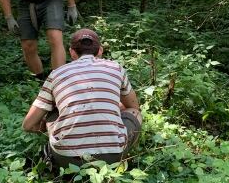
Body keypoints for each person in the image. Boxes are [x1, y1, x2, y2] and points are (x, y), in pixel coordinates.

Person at [22, 28, 142, 171]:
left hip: (66, 160)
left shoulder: (57, 74)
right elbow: (133, 106)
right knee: (136, 114)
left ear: (72, 52)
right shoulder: (116, 68)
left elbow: (27, 125)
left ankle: (55, 151)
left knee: (51, 112)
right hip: (112, 157)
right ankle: (121, 161)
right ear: (100, 51)